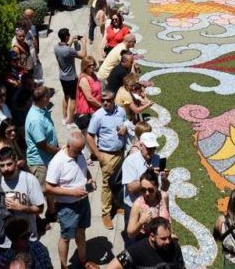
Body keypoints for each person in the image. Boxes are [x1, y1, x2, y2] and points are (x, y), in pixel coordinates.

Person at [45, 131, 95, 269]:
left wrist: (90, 179)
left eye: (81, 149)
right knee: (66, 237)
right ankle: (64, 266)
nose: (80, 153)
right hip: (67, 206)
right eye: (77, 150)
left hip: (83, 202)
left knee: (81, 231)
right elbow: (48, 188)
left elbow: (84, 169)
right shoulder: (57, 162)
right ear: (68, 146)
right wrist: (72, 193)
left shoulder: (80, 154)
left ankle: (83, 260)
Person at [0, 147, 44, 248]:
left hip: (27, 238)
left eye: (9, 164)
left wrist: (21, 207)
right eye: (2, 165)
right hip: (4, 242)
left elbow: (40, 209)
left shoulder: (29, 180)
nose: (6, 168)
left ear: (16, 161)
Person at [86, 91, 127, 230]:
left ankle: (116, 205)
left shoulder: (121, 111)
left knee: (119, 181)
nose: (105, 103)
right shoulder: (98, 116)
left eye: (108, 100)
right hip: (107, 156)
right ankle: (106, 213)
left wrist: (124, 129)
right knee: (107, 185)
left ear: (113, 100)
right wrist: (97, 155)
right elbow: (89, 136)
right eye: (103, 100)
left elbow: (126, 123)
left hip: (120, 153)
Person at [24, 87, 59, 223]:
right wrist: (59, 151)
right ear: (44, 98)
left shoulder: (42, 109)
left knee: (49, 188)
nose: (50, 98)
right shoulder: (35, 120)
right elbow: (42, 145)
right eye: (48, 96)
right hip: (40, 162)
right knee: (39, 193)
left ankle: (52, 211)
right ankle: (37, 220)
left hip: (47, 159)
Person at [121, 132, 164, 228]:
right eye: (149, 148)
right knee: (133, 237)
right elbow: (130, 188)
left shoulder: (157, 159)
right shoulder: (130, 161)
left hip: (153, 204)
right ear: (140, 146)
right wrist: (147, 174)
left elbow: (161, 185)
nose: (151, 151)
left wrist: (164, 179)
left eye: (153, 148)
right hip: (134, 207)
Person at [107, 217, 184, 269]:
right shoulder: (136, 250)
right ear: (152, 236)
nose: (168, 241)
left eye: (169, 237)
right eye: (163, 238)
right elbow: (112, 266)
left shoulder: (174, 246)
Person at [54, 28, 87, 127]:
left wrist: (72, 40)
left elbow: (66, 49)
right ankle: (70, 121)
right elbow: (83, 55)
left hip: (62, 77)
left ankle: (64, 118)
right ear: (67, 36)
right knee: (73, 99)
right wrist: (84, 43)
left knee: (65, 96)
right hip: (71, 78)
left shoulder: (56, 47)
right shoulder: (69, 50)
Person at [127, 169, 170, 240]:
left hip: (164, 242)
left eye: (150, 190)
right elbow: (130, 234)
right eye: (143, 190)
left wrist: (172, 233)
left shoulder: (164, 197)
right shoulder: (137, 205)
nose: (147, 193)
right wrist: (141, 222)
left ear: (157, 187)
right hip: (147, 243)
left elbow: (168, 219)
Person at [92, 0, 108, 65]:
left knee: (98, 47)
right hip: (102, 31)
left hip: (99, 30)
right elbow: (101, 24)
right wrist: (106, 22)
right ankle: (100, 63)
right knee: (101, 46)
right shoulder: (101, 12)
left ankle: (98, 63)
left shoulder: (98, 11)